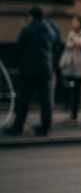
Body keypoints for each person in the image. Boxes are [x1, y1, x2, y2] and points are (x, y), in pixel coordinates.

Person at [3, 7, 61, 136]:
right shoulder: (50, 31)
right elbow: (56, 48)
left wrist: (14, 65)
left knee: (24, 99)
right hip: (46, 69)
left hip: (28, 70)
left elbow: (19, 48)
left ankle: (18, 127)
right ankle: (45, 126)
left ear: (32, 16)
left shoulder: (27, 30)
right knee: (45, 99)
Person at [60, 15, 81, 123]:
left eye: (75, 22)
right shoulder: (72, 33)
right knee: (72, 89)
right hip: (71, 67)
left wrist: (74, 42)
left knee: (77, 90)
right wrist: (73, 42)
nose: (73, 25)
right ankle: (72, 112)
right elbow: (68, 44)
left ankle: (75, 114)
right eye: (73, 22)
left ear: (80, 24)